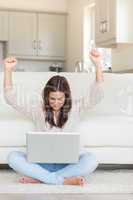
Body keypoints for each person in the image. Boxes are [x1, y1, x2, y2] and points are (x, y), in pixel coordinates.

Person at [3, 49, 104, 186]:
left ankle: (42, 179)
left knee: (91, 160)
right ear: (46, 96)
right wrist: (8, 70)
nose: (56, 103)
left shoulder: (76, 108)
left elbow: (96, 95)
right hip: (42, 164)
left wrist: (97, 64)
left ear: (66, 96)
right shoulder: (38, 110)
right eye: (52, 99)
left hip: (67, 165)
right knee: (12, 157)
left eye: (60, 99)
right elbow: (11, 98)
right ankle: (60, 180)